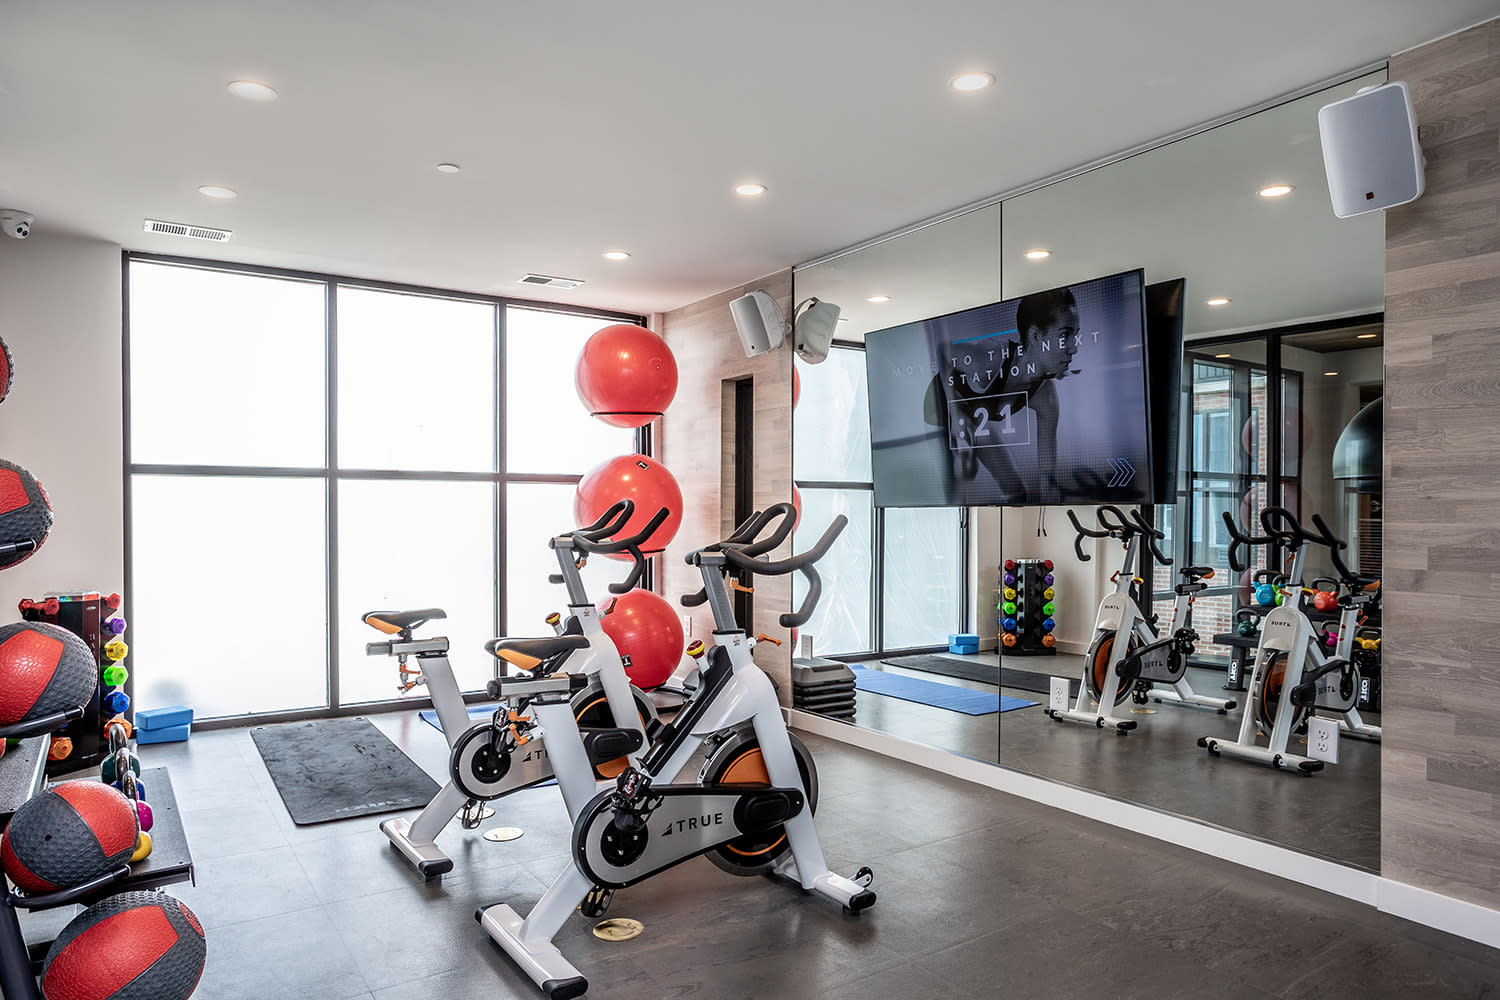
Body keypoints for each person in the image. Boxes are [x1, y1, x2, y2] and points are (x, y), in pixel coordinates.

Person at [941, 286, 1080, 503]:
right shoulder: (992, 356)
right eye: (1065, 335)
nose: (1074, 348)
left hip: (972, 420)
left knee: (1017, 493)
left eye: (1075, 336)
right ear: (1035, 335)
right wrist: (954, 413)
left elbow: (1048, 478)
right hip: (937, 407)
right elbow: (944, 353)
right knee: (961, 479)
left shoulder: (1046, 397)